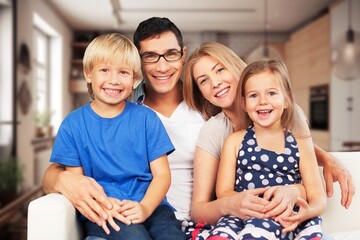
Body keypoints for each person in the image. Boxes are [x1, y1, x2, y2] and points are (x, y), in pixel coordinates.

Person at [42, 18, 354, 239]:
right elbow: (58, 168)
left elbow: (270, 137)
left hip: (179, 224)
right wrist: (62, 180)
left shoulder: (209, 110)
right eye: (150, 57)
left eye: (171, 54)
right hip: (149, 218)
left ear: (182, 54)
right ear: (138, 65)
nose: (162, 66)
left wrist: (324, 157)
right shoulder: (127, 111)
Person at [42, 17, 204, 235]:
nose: (114, 80)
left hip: (155, 208)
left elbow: (162, 175)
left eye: (123, 72)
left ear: (134, 77)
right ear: (88, 74)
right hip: (107, 210)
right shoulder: (74, 124)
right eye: (104, 70)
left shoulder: (153, 117)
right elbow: (77, 182)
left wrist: (146, 207)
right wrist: (106, 205)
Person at [182, 41, 354, 239]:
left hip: (287, 217)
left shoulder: (290, 117)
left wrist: (323, 160)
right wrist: (233, 203)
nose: (215, 82)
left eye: (220, 70)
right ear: (200, 92)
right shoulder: (216, 132)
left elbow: (299, 160)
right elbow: (200, 208)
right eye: (203, 81)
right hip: (240, 218)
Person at [207, 59, 326, 239]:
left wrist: (306, 213)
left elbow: (317, 196)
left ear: (286, 99)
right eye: (254, 95)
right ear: (244, 103)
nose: (263, 101)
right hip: (244, 216)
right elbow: (223, 192)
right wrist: (252, 205)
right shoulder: (234, 141)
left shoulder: (301, 141)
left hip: (287, 217)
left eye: (271, 93)